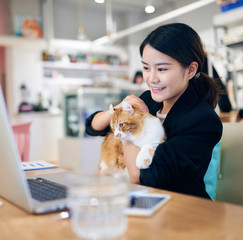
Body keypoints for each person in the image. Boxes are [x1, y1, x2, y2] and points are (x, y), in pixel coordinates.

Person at [85, 23, 223, 199]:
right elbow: (93, 127)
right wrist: (117, 111)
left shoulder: (202, 120)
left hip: (181, 209)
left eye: (162, 69)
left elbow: (140, 176)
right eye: (146, 68)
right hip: (140, 200)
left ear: (190, 70)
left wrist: (128, 132)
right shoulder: (148, 99)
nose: (151, 78)